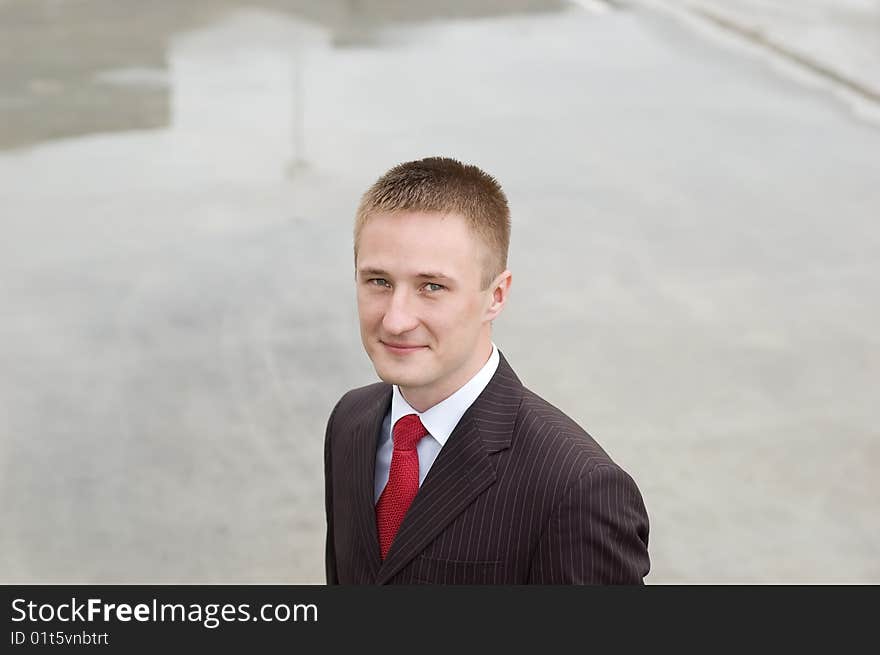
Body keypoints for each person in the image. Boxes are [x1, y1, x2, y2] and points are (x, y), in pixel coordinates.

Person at [324, 156, 649, 584]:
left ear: (495, 296)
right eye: (379, 281)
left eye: (432, 287)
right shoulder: (351, 422)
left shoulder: (576, 488)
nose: (395, 319)